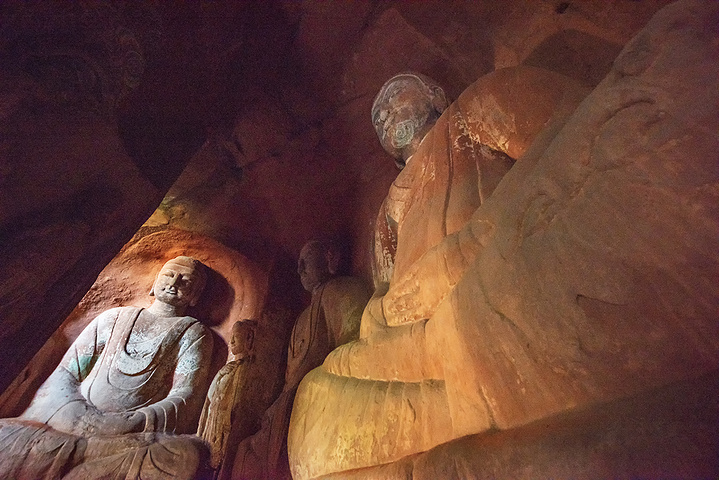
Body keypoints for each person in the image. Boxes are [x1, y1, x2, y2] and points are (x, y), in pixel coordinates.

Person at [288, 66, 593, 480]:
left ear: (435, 94)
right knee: (315, 393)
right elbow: (383, 289)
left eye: (394, 97)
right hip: (414, 338)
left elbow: (575, 136)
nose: (384, 115)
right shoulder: (388, 209)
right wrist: (381, 313)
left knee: (493, 319)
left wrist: (470, 248)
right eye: (377, 118)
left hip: (490, 282)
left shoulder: (473, 112)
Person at [0, 256, 215, 480]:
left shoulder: (193, 332)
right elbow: (67, 373)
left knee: (181, 455)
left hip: (123, 437)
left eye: (186, 281)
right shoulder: (114, 317)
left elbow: (186, 395)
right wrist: (73, 411)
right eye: (169, 275)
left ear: (195, 296)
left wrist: (135, 421)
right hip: (67, 419)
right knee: (7, 434)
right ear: (154, 282)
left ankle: (80, 459)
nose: (175, 283)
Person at [232, 239, 370, 480]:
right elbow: (289, 378)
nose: (300, 270)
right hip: (294, 402)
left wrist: (309, 383)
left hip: (323, 391)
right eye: (298, 264)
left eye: (306, 261)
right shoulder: (301, 319)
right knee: (244, 450)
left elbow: (355, 343)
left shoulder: (341, 291)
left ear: (329, 259)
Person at [198, 320, 257, 480]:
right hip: (213, 424)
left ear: (249, 338)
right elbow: (210, 399)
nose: (231, 342)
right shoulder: (228, 369)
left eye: (236, 337)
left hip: (226, 427)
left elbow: (239, 403)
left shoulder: (247, 370)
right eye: (231, 337)